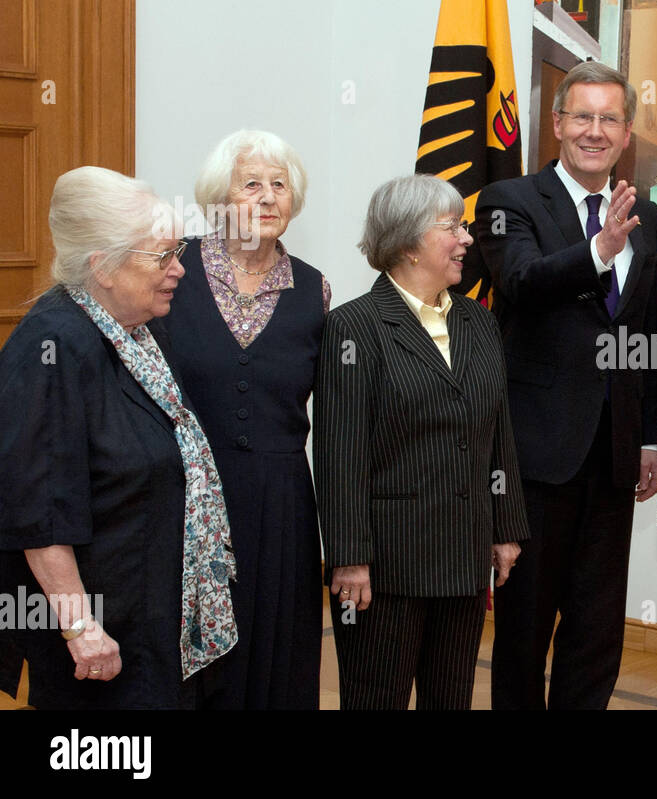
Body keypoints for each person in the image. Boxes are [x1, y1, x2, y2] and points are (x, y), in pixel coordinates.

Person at [0, 166, 237, 708]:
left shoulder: (138, 333)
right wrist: (81, 629)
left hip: (154, 617)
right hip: (103, 641)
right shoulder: (54, 349)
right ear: (101, 268)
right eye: (162, 257)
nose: (179, 269)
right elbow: (38, 516)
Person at [476, 61, 657, 710]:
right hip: (536, 454)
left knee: (596, 632)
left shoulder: (648, 215)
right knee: (526, 630)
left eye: (609, 118)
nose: (594, 130)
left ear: (627, 132)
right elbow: (521, 282)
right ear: (556, 123)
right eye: (581, 116)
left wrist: (649, 439)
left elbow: (645, 330)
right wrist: (598, 252)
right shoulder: (510, 202)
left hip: (612, 457)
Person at [314, 174, 528, 710]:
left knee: (451, 698)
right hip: (384, 569)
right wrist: (348, 559)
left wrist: (506, 528)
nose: (467, 239)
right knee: (375, 699)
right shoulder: (354, 328)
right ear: (409, 243)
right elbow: (340, 452)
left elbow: (498, 430)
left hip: (462, 556)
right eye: (451, 227)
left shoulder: (479, 323)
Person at [149, 130, 327, 709]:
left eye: (281, 186)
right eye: (252, 184)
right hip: (185, 495)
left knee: (277, 645)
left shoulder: (313, 288)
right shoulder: (174, 271)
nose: (270, 197)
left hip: (281, 502)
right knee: (191, 655)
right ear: (218, 198)